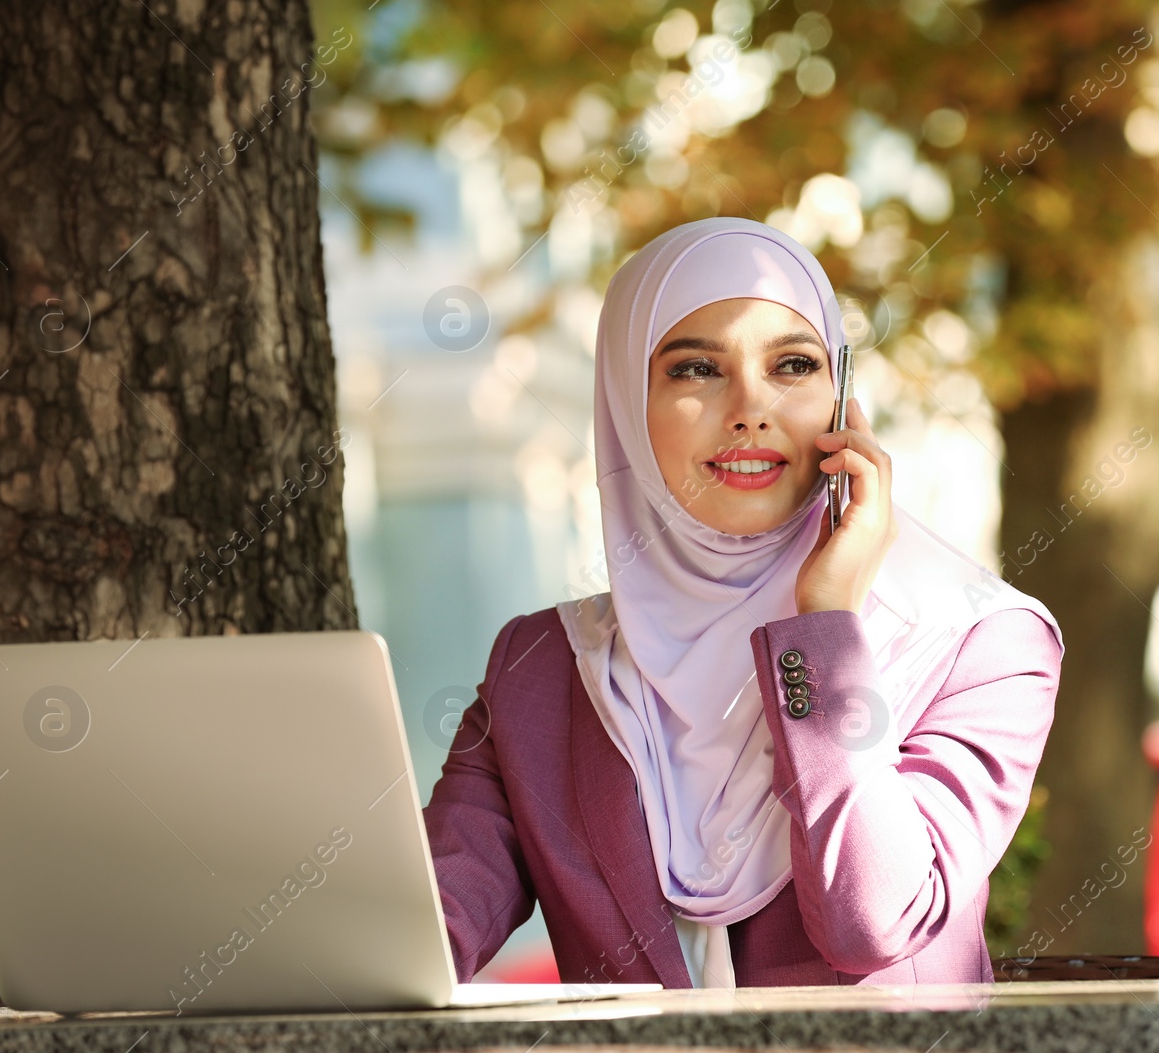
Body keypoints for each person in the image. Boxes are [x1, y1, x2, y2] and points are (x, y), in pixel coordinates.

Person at [421, 216, 1064, 990]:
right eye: (695, 370)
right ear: (626, 407)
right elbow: (423, 934)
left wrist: (824, 631)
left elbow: (873, 925)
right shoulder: (544, 669)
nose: (750, 410)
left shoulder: (981, 644)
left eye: (794, 365)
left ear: (841, 401)